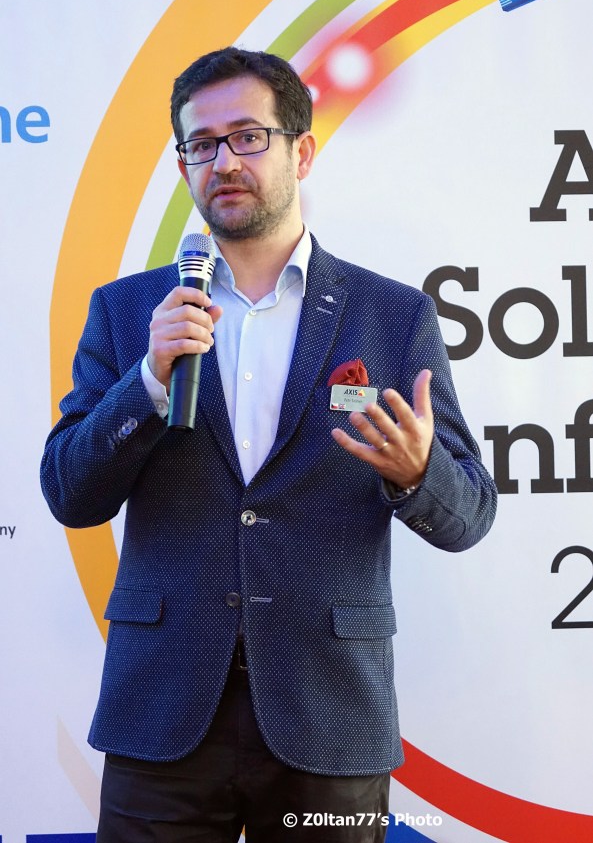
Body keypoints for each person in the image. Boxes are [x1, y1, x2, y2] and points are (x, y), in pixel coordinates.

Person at [40, 47, 497, 842]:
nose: (223, 161)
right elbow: (69, 494)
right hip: (163, 711)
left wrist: (417, 472)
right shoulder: (127, 311)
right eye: (201, 143)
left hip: (327, 712)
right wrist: (147, 381)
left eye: (247, 136)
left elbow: (469, 515)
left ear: (301, 150)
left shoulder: (392, 317)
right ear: (182, 164)